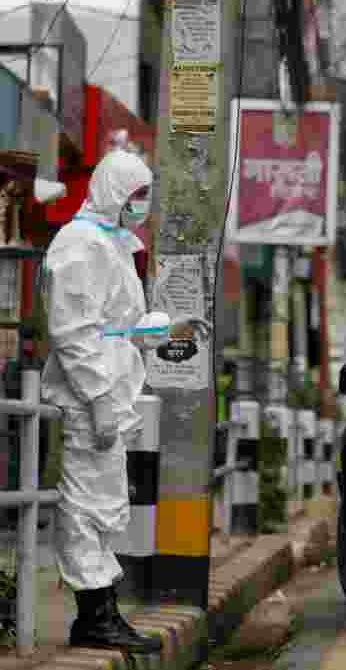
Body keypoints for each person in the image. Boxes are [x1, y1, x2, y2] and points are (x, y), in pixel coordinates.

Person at [42, 149, 211, 653]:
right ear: (115, 192)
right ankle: (94, 615)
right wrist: (97, 400)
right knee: (85, 506)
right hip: (88, 398)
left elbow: (119, 329)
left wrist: (169, 329)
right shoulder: (79, 246)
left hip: (111, 395)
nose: (143, 205)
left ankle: (100, 611)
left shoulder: (112, 244)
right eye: (137, 195)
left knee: (107, 504)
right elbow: (74, 334)